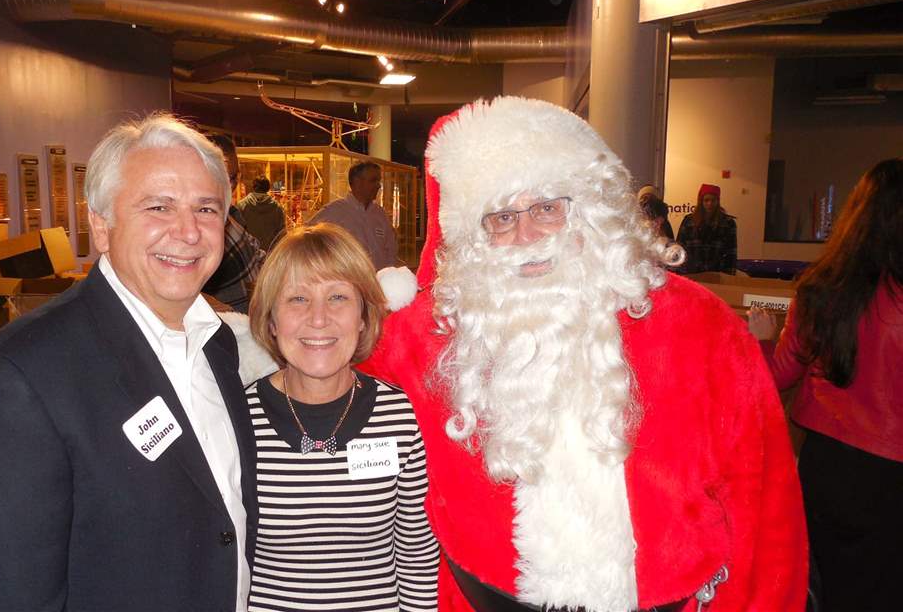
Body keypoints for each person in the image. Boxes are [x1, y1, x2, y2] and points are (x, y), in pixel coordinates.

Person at [360, 96, 807, 611]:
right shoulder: (435, 331)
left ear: (591, 208)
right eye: (501, 217)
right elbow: (328, 351)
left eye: (547, 208)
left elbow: (764, 504)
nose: (527, 236)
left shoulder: (699, 325)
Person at [0, 113, 257, 611]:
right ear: (101, 226)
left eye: (206, 209)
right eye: (158, 206)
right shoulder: (16, 377)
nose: (189, 231)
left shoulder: (218, 345)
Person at [244, 222, 438, 612]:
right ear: (271, 320)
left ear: (364, 316)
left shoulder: (399, 417)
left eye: (337, 297)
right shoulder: (236, 419)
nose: (318, 318)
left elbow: (416, 557)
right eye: (298, 298)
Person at [748, 157, 902, 612]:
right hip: (891, 474)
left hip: (825, 465)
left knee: (821, 583)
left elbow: (776, 377)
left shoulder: (821, 289)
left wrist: (762, 341)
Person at [204, 133, 266, 312]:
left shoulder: (233, 216)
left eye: (232, 178)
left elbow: (258, 256)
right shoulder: (194, 226)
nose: (228, 186)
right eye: (219, 177)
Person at [310, 161, 398, 270]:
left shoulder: (380, 214)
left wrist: (388, 273)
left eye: (378, 180)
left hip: (379, 279)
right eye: (373, 180)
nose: (379, 185)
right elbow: (307, 239)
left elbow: (391, 248)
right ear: (357, 182)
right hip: (349, 279)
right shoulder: (334, 212)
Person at [676, 183, 737, 274]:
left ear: (718, 201)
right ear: (701, 201)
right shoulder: (689, 221)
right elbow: (680, 247)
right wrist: (679, 271)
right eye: (706, 200)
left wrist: (730, 274)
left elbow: (731, 252)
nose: (710, 204)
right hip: (692, 271)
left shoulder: (728, 223)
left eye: (713, 200)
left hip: (717, 272)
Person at [236, 176, 286, 251]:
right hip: (270, 254)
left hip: (249, 253)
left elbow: (236, 233)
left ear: (253, 187)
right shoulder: (277, 208)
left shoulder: (242, 206)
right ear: (268, 188)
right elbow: (282, 235)